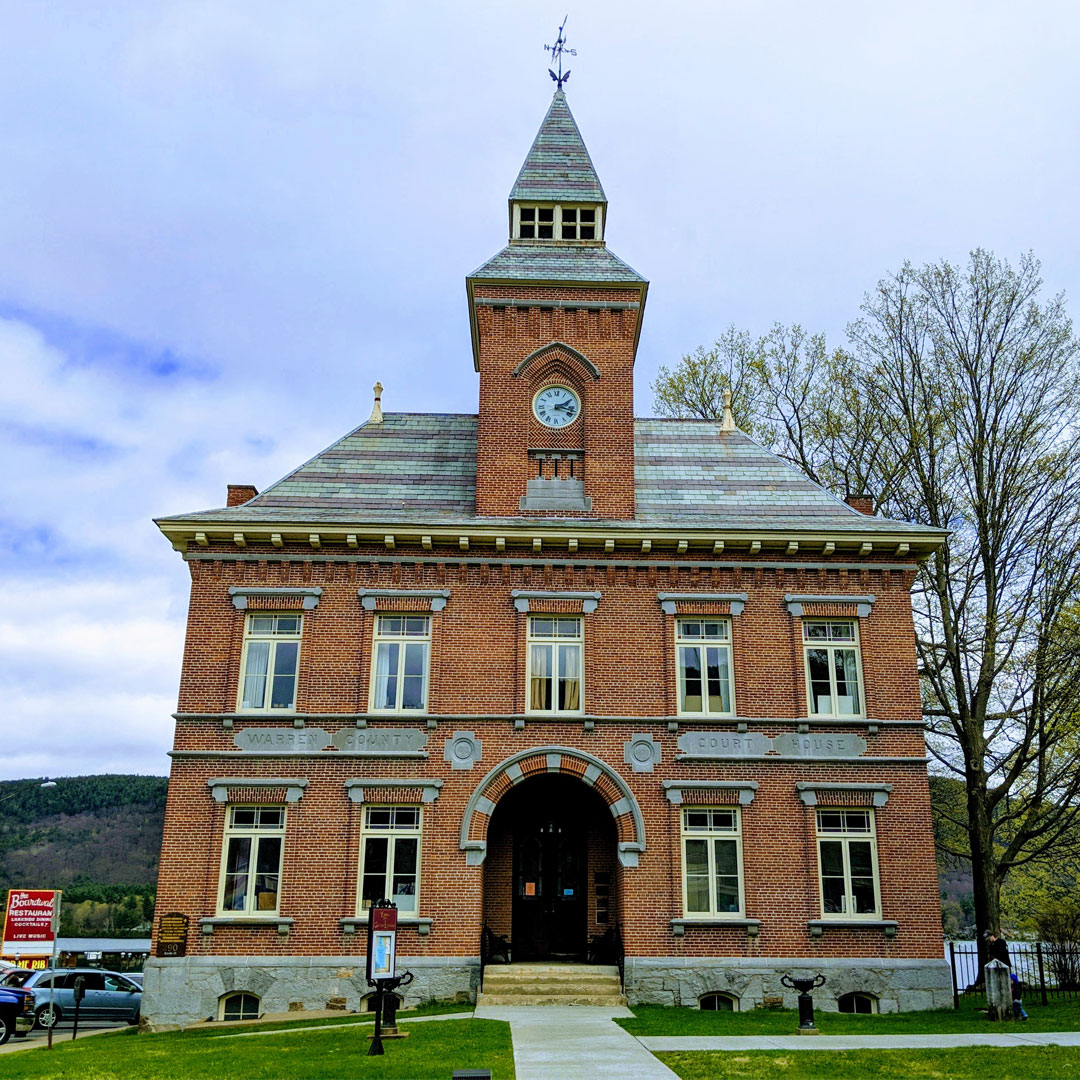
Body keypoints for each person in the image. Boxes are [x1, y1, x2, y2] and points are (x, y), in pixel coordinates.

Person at [983, 929, 1028, 1020]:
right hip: (996, 966)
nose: (989, 940)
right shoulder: (991, 945)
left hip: (1004, 964)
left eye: (989, 938)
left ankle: (1016, 1011)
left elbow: (1001, 953)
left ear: (992, 936)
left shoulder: (1001, 942)